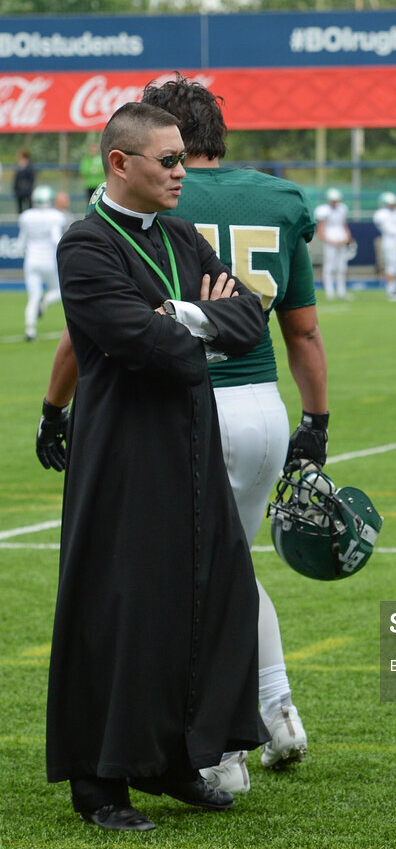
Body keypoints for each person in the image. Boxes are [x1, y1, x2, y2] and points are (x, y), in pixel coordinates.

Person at [37, 75, 328, 794]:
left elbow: (247, 319)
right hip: (125, 452)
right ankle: (99, 782)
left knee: (206, 596)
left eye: (180, 159)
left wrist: (178, 315)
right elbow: (139, 342)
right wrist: (191, 318)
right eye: (166, 161)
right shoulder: (85, 243)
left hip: (193, 441)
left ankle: (173, 760)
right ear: (119, 163)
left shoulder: (181, 232)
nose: (179, 173)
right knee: (124, 605)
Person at [20, 185, 66, 341]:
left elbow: (22, 242)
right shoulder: (56, 216)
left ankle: (30, 330)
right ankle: (45, 300)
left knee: (33, 296)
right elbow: (56, 239)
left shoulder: (26, 216)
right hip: (49, 261)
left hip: (31, 260)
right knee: (59, 291)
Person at [314, 188, 353, 300]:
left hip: (341, 240)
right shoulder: (323, 211)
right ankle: (330, 292)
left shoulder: (342, 209)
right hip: (330, 242)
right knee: (329, 267)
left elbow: (344, 226)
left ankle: (342, 292)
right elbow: (320, 231)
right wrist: (333, 241)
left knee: (341, 267)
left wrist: (347, 238)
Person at [373, 191, 396, 301]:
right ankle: (391, 291)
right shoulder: (380, 214)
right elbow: (389, 230)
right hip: (390, 243)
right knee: (391, 267)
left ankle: (395, 288)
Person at [14, 149, 36, 213]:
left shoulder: (30, 166)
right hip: (19, 191)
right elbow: (16, 179)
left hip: (27, 191)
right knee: (20, 209)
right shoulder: (19, 166)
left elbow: (31, 179)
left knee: (30, 208)